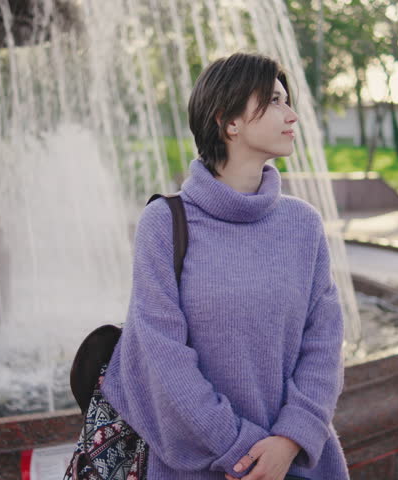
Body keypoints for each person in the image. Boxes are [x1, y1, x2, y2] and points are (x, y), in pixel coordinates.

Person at [101, 52, 350, 480]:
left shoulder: (303, 224)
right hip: (197, 466)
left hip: (297, 464)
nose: (292, 115)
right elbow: (162, 358)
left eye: (287, 101)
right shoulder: (165, 223)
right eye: (274, 100)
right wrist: (243, 450)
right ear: (228, 121)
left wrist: (290, 440)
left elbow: (325, 343)